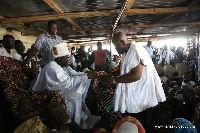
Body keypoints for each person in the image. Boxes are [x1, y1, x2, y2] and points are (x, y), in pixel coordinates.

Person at [99, 32, 166, 132]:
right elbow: (122, 70)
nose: (116, 50)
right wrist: (109, 75)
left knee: (140, 125)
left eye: (116, 46)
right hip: (137, 97)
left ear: (122, 42)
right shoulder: (127, 53)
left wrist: (113, 80)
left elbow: (136, 75)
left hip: (142, 97)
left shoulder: (135, 50)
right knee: (134, 124)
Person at [30, 43, 101, 129]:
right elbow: (66, 82)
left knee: (77, 97)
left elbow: (74, 74)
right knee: (74, 98)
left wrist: (87, 74)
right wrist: (87, 76)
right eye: (67, 57)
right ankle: (74, 122)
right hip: (46, 95)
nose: (69, 59)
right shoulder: (52, 67)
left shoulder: (64, 67)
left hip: (58, 91)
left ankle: (79, 120)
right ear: (59, 58)